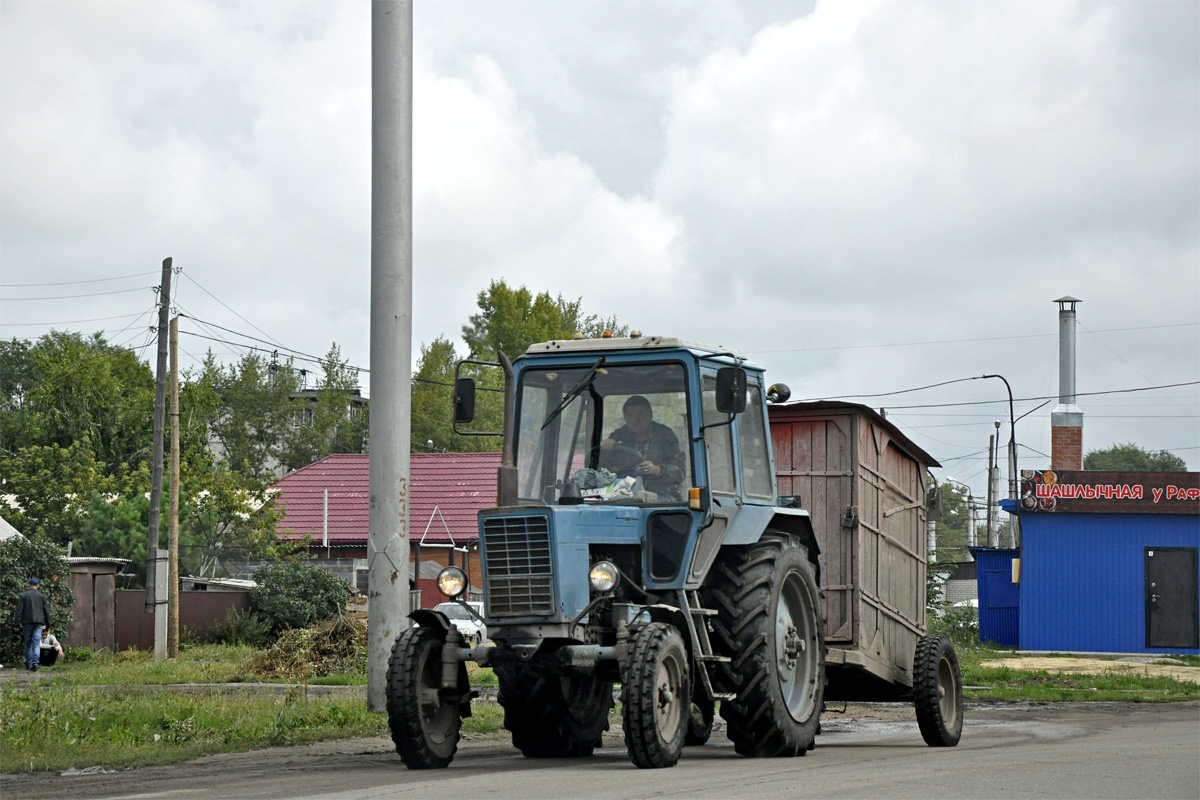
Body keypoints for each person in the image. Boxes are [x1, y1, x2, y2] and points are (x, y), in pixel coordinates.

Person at [599, 395, 686, 500]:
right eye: (630, 415)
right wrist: (604, 451)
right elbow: (602, 471)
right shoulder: (618, 436)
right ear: (625, 418)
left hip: (660, 495)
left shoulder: (665, 436)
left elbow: (680, 472)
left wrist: (657, 470)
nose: (635, 419)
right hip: (624, 494)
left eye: (640, 414)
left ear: (650, 415)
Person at [15, 577, 52, 671]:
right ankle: (35, 664)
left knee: (28, 643)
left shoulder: (23, 595)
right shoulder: (42, 596)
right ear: (38, 586)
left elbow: (19, 611)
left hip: (27, 622)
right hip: (39, 623)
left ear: (29, 585)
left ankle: (29, 663)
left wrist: (16, 624)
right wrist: (48, 625)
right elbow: (46, 611)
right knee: (36, 644)